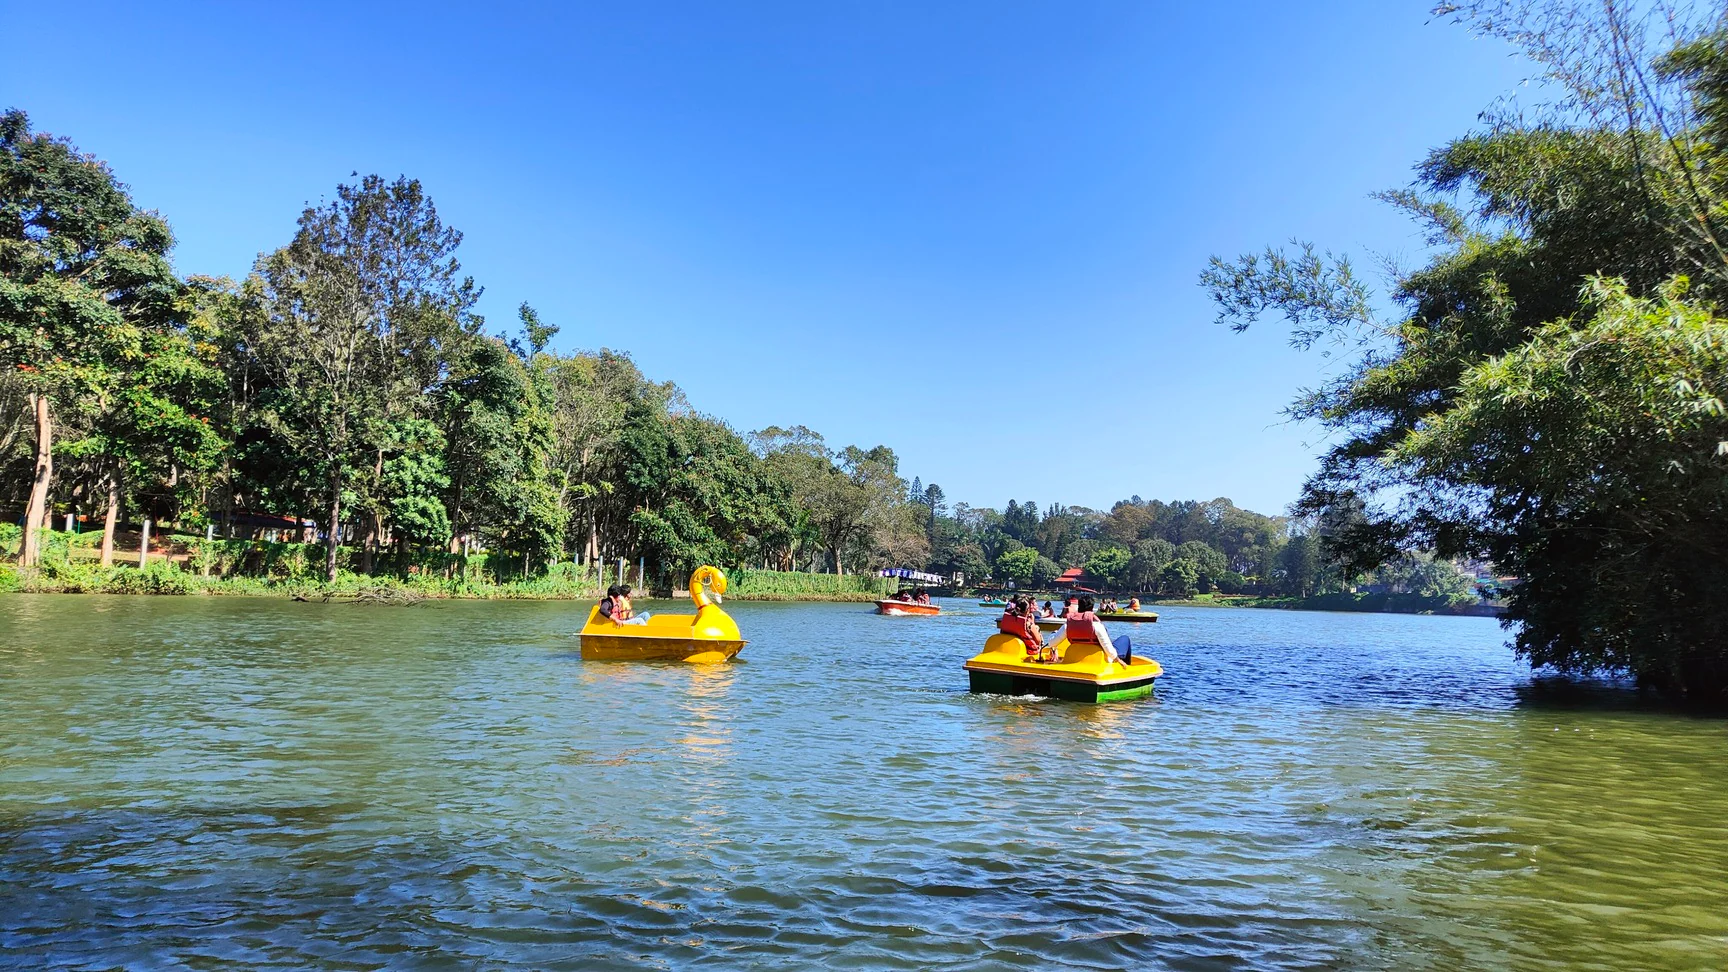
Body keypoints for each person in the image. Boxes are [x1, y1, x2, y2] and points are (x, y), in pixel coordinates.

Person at [1064, 595, 1132, 664]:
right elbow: (1107, 646)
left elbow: (1053, 641)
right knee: (1125, 639)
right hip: (1102, 657)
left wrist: (1054, 649)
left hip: (1077, 655)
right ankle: (1127, 667)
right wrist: (1117, 659)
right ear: (1092, 608)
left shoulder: (1068, 625)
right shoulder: (1097, 626)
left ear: (1079, 607)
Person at [998, 595, 1042, 660]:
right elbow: (1038, 641)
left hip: (1007, 649)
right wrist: (1033, 625)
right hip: (1027, 651)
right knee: (1037, 628)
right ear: (1027, 610)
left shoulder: (1008, 619)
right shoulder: (1028, 623)